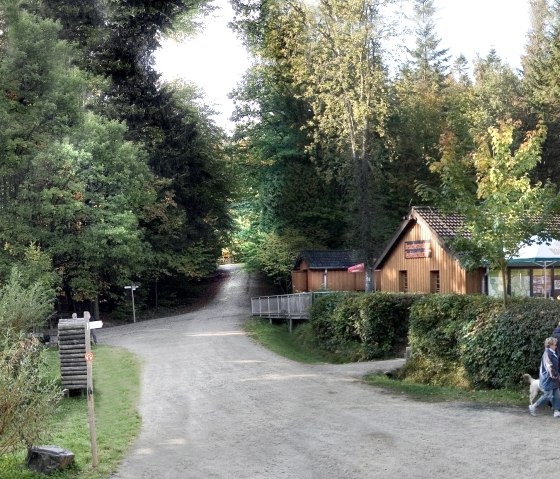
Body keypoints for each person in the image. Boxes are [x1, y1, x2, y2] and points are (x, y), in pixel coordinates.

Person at [529, 337, 560, 417]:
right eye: (555, 343)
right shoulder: (547, 353)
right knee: (548, 395)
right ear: (550, 345)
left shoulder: (553, 352)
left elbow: (556, 365)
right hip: (548, 378)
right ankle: (533, 406)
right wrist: (557, 376)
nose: (556, 345)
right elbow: (549, 367)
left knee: (556, 394)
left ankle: (556, 411)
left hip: (553, 379)